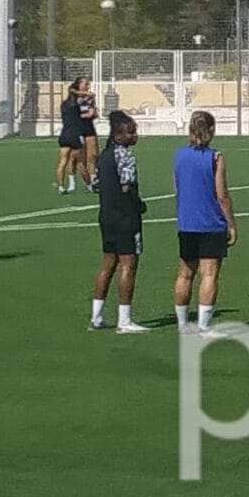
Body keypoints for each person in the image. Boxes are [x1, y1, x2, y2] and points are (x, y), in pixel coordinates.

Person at [172, 111, 239, 334]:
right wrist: (231, 223)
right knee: (209, 274)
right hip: (210, 223)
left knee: (184, 273)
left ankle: (182, 324)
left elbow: (177, 188)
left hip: (186, 223)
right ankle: (204, 327)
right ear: (211, 130)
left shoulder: (179, 155)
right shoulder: (215, 157)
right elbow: (221, 195)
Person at [90, 110, 154, 331]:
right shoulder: (125, 156)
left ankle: (96, 316)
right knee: (128, 264)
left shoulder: (104, 156)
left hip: (106, 216)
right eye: (131, 132)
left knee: (108, 264)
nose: (135, 135)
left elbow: (94, 185)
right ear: (119, 136)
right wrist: (139, 204)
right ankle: (124, 320)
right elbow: (127, 186)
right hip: (126, 217)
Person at [54, 76, 97, 194]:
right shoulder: (77, 105)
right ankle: (90, 185)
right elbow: (87, 102)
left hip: (64, 134)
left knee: (63, 162)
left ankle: (61, 187)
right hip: (75, 135)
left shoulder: (64, 104)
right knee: (81, 163)